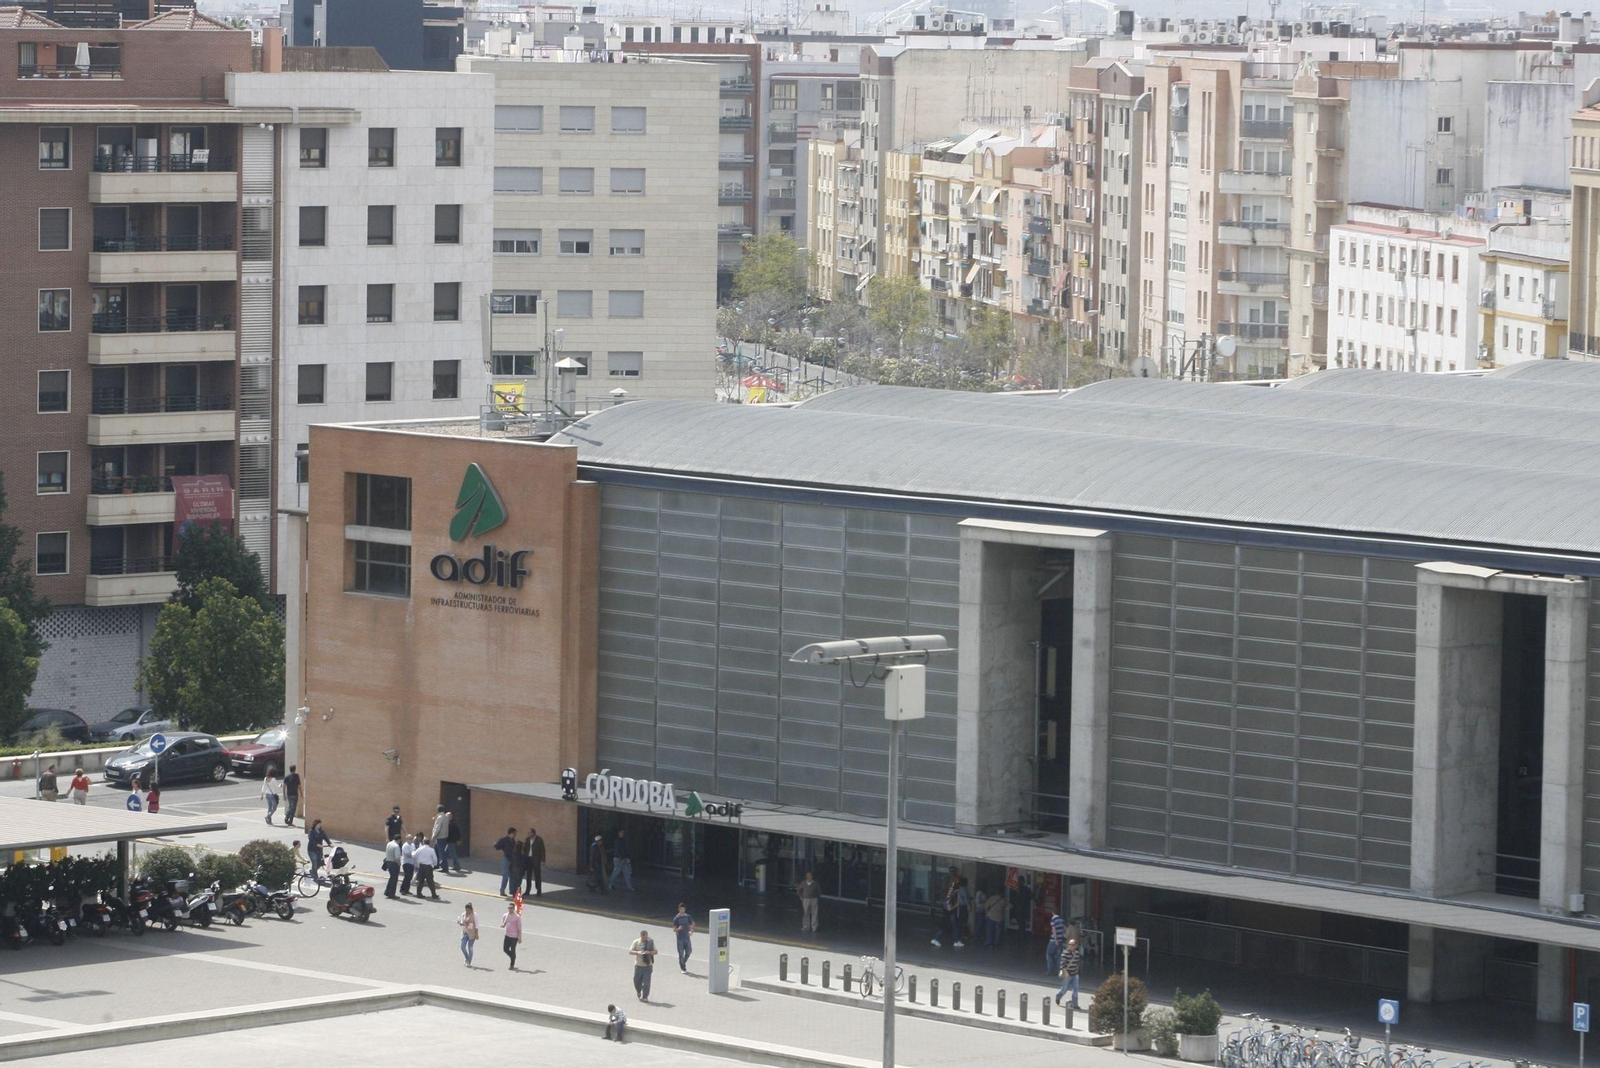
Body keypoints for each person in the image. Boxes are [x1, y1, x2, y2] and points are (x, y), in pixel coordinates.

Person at [931, 867, 967, 949]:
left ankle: (955, 940)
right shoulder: (952, 890)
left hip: (946, 907)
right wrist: (956, 905)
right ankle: (938, 939)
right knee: (948, 925)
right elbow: (949, 906)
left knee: (952, 925)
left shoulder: (947, 882)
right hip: (949, 910)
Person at [628, 929, 657, 1001]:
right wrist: (638, 952)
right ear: (641, 936)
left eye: (646, 937)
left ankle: (645, 997)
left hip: (648, 965)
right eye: (643, 937)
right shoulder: (636, 942)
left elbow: (656, 951)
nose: (645, 939)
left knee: (646, 982)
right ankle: (638, 990)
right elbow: (630, 951)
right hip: (638, 965)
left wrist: (649, 952)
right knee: (636, 980)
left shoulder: (650, 942)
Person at [1056, 937, 1082, 1009]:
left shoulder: (1077, 953)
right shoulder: (1065, 953)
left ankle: (1075, 1004)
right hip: (1068, 975)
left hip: (1075, 974)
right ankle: (1058, 996)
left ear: (1076, 945)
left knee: (1075, 989)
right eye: (1070, 944)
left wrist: (1078, 972)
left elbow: (1077, 963)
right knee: (1064, 989)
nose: (1071, 946)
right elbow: (1062, 964)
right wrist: (1066, 973)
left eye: (1073, 944)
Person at [494, 827, 520, 897]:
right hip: (506, 859)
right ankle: (502, 891)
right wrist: (501, 847)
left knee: (512, 875)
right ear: (511, 833)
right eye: (514, 833)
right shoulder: (505, 840)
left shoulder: (513, 841)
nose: (515, 835)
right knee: (505, 875)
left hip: (512, 859)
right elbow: (497, 846)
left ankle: (511, 890)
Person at [521, 828, 545, 897]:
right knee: (528, 876)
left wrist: (542, 860)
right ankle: (527, 890)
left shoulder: (539, 840)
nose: (528, 834)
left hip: (536, 860)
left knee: (537, 876)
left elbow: (542, 850)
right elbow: (524, 849)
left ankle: (539, 890)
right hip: (528, 859)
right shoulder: (527, 839)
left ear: (533, 833)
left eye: (529, 833)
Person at [672, 903, 695, 973]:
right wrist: (678, 929)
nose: (682, 910)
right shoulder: (676, 918)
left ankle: (683, 963)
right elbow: (674, 929)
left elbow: (693, 924)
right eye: (681, 909)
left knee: (689, 951)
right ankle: (683, 968)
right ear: (679, 909)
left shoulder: (688, 917)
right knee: (681, 954)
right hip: (680, 938)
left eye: (683, 909)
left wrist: (691, 931)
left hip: (687, 937)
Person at [500, 902, 523, 970]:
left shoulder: (517, 917)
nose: (510, 909)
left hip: (514, 936)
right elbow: (502, 923)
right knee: (505, 949)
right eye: (509, 908)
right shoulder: (505, 915)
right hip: (507, 935)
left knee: (513, 950)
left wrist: (519, 937)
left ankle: (512, 964)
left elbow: (519, 928)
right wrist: (502, 925)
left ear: (514, 909)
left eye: (511, 908)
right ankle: (513, 957)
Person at [458, 902, 478, 967]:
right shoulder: (463, 914)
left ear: (471, 909)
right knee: (462, 946)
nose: (467, 911)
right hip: (465, 932)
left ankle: (469, 962)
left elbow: (477, 925)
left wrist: (477, 934)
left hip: (472, 933)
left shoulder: (474, 915)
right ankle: (467, 958)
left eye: (468, 910)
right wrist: (460, 923)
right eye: (466, 910)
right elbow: (462, 923)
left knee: (470, 948)